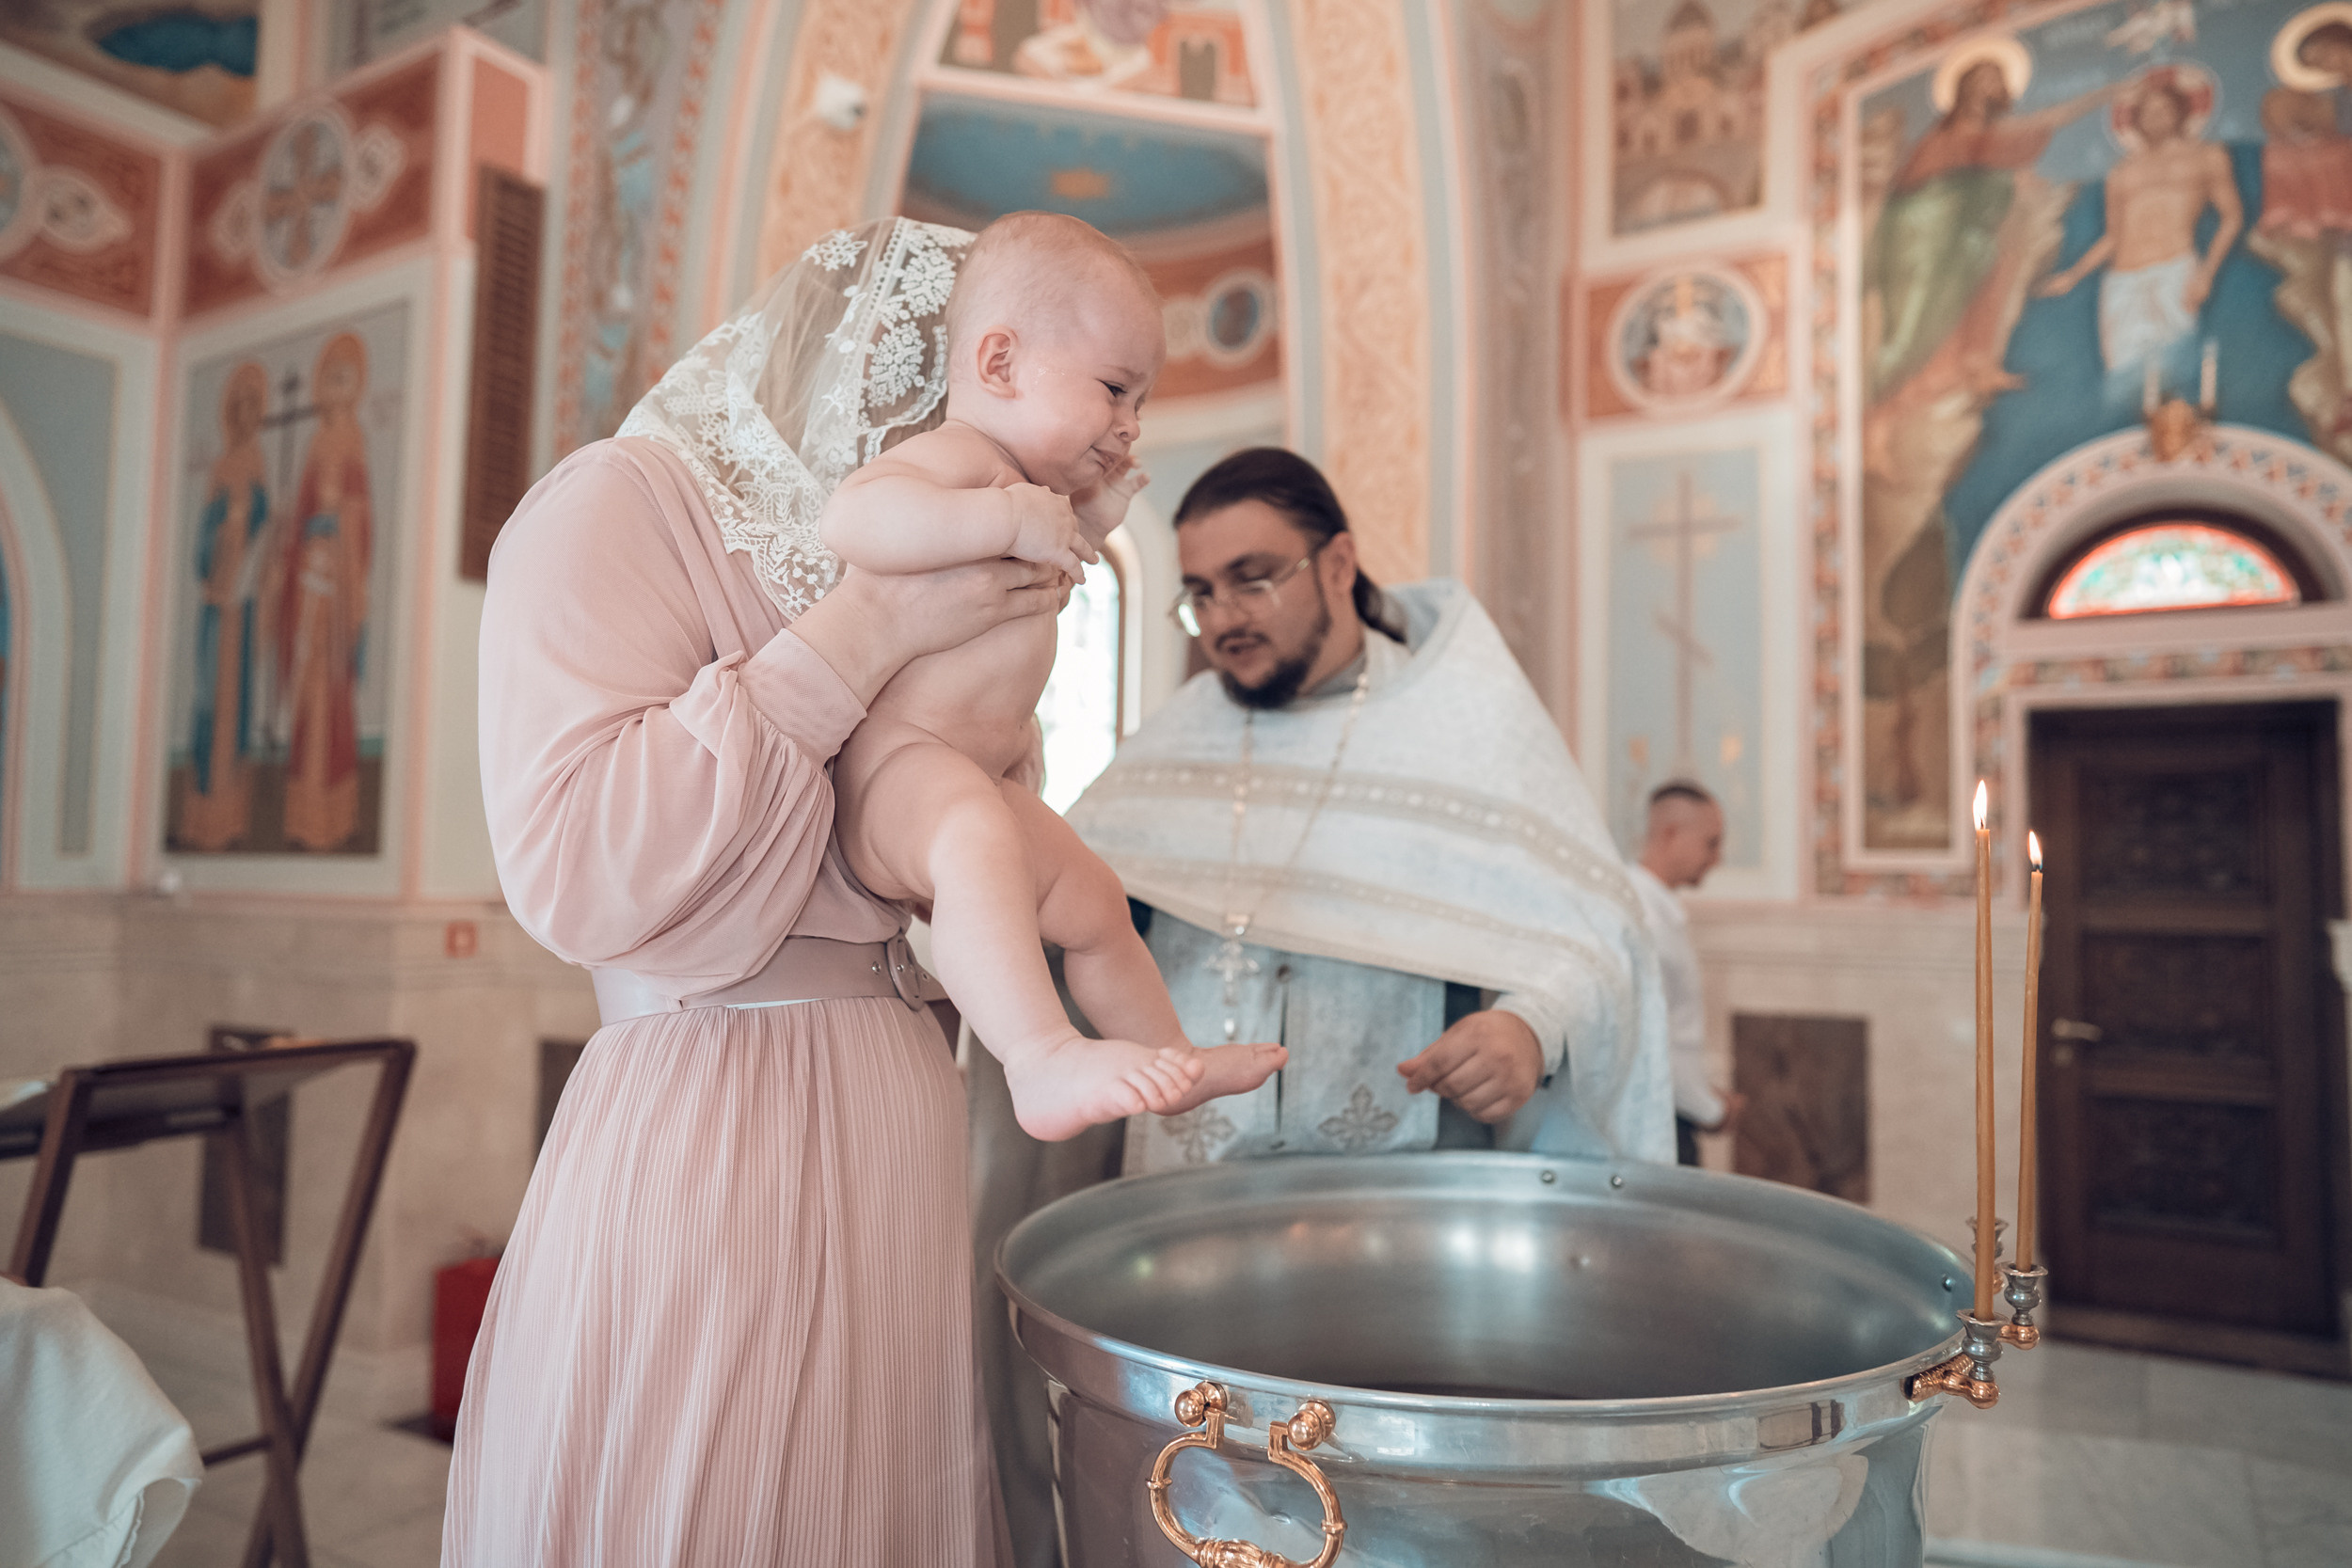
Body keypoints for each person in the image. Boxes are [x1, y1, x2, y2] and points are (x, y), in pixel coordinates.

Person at [446, 217, 1078, 1566]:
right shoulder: (618, 503)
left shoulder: (941, 547)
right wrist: (863, 626)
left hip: (903, 1105)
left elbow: (956, 834)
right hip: (718, 1105)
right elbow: (577, 867)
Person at [966, 446, 1673, 1564]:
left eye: (1253, 576)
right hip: (1179, 1234)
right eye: (1197, 591)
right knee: (1187, 1517)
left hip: (1386, 1248)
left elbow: (1592, 931)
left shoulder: (1462, 722)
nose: (1221, 617)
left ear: (1337, 562)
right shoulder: (1184, 738)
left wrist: (1528, 1024)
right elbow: (1062, 918)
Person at [820, 213, 1283, 1141]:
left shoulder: (1027, 493)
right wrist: (1003, 523)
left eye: (1138, 403)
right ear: (998, 365)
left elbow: (1045, 564)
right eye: (1114, 389)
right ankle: (1037, 1058)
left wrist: (1088, 522)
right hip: (897, 767)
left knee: (1093, 900)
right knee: (973, 842)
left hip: (975, 777)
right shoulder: (961, 460)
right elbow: (855, 521)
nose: (1130, 422)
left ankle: (1173, 1060)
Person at [2035, 74, 2241, 382]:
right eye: (2146, 111)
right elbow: (2113, 237)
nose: (2155, 116)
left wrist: (2206, 273)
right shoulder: (2121, 172)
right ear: (2135, 121)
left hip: (2175, 269)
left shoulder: (2206, 156)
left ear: (2181, 113)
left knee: (2176, 368)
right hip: (2122, 280)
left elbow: (2231, 217)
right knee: (2124, 375)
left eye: (2163, 108)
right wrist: (2073, 276)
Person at [1628, 781, 1746, 1167]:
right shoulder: (1645, 918)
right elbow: (1652, 1041)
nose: (1717, 858)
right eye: (1711, 843)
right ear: (1672, 834)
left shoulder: (1657, 909)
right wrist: (1711, 1110)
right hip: (1659, 1122)